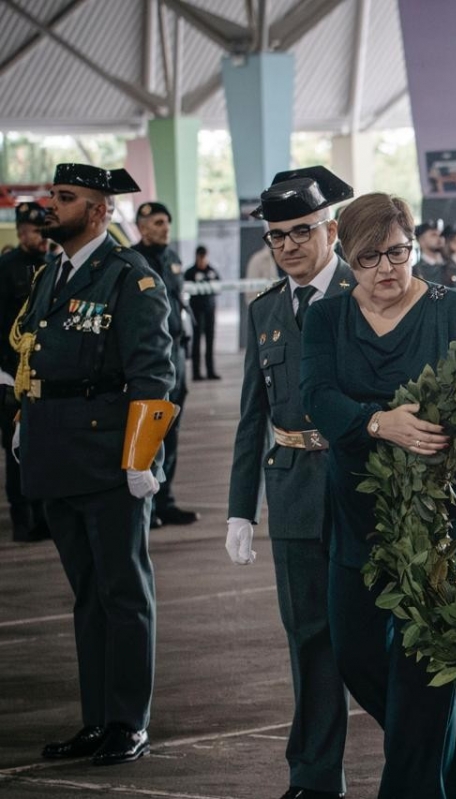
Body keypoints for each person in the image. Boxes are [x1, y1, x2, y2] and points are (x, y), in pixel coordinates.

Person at [300, 192, 456, 799]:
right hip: (359, 511)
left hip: (442, 515)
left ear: (413, 245)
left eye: (398, 252)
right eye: (369, 257)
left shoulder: (451, 308)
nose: (386, 268)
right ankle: (452, 745)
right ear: (347, 256)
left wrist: (438, 431)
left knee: (423, 669)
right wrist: (381, 423)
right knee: (356, 655)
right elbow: (317, 396)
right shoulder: (327, 318)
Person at [16, 163, 174, 765]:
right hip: (56, 453)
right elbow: (36, 359)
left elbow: (153, 374)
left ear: (100, 210)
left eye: (66, 197)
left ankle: (128, 722)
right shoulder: (51, 273)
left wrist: (140, 459)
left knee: (123, 593)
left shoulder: (129, 277)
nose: (51, 206)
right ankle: (97, 719)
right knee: (87, 595)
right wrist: (22, 422)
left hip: (108, 459)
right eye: (53, 195)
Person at [226, 166, 354, 799]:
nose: (288, 246)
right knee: (308, 638)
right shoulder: (267, 309)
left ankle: (450, 750)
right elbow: (254, 415)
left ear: (331, 230)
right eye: (277, 236)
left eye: (302, 231)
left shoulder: (370, 291)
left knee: (379, 640)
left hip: (364, 487)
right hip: (294, 488)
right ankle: (314, 777)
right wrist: (240, 509)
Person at [131, 202, 199, 527]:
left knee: (171, 432)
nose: (165, 228)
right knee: (149, 430)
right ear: (142, 226)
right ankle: (145, 506)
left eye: (167, 222)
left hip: (177, 354)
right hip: (150, 358)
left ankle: (164, 500)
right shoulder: (132, 262)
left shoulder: (172, 258)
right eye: (157, 222)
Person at [0, 201, 51, 541]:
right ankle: (23, 520)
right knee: (16, 447)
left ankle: (44, 516)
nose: (43, 237)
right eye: (37, 231)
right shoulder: (5, 269)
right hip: (10, 374)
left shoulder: (53, 267)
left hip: (44, 374)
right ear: (21, 233)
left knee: (43, 447)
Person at [184, 245, 221, 381]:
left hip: (210, 311)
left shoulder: (212, 271)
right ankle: (196, 373)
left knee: (210, 341)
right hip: (196, 312)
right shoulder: (190, 272)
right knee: (197, 341)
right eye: (200, 257)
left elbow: (219, 287)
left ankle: (211, 371)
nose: (202, 260)